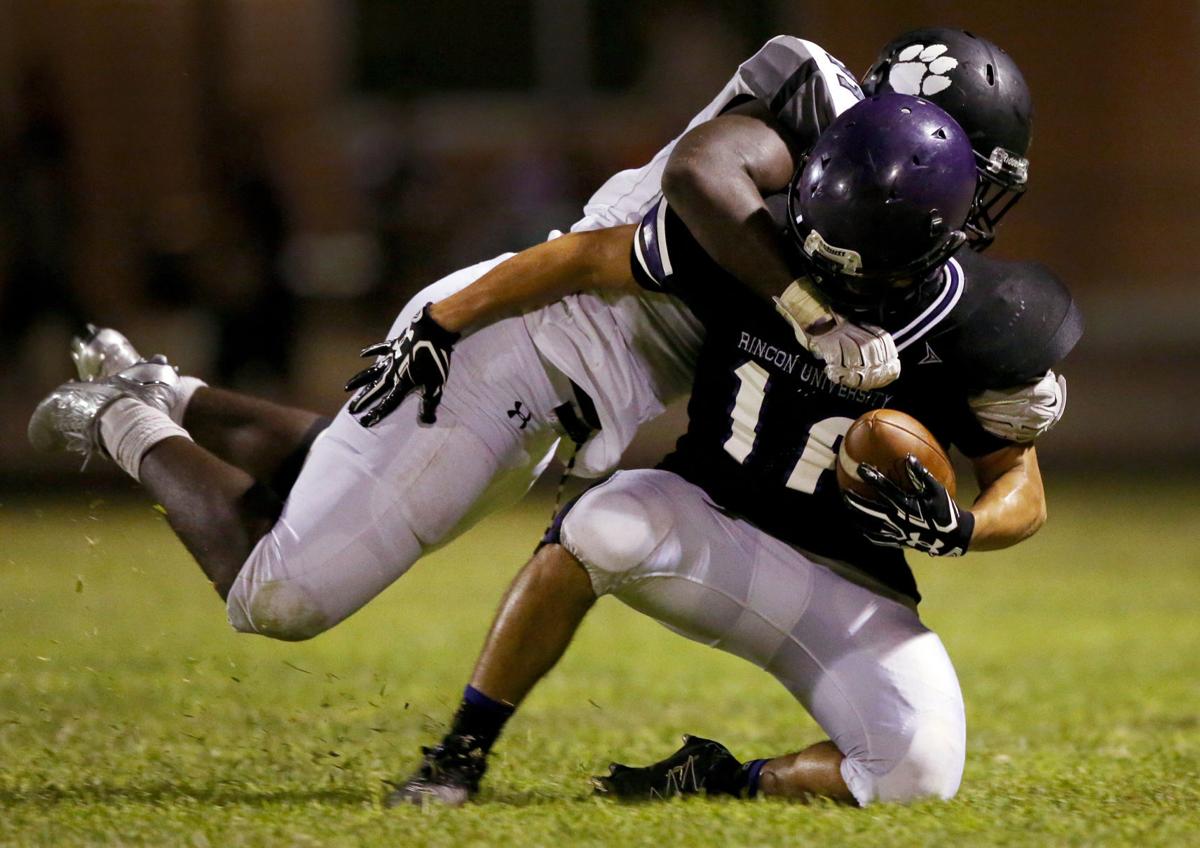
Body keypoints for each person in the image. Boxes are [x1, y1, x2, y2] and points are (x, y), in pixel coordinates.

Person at [27, 36, 887, 642]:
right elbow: (662, 203)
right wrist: (814, 310)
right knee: (280, 598)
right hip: (511, 346)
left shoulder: (851, 207)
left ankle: (164, 390)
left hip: (552, 386)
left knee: (338, 465)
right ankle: (120, 418)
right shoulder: (800, 133)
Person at [383, 93, 1083, 808]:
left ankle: (723, 780)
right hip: (704, 517)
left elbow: (1021, 489)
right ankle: (458, 756)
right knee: (599, 525)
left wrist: (964, 528)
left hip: (849, 585)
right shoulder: (753, 245)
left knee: (919, 775)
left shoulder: (979, 319)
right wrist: (442, 319)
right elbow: (586, 257)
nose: (836, 274)